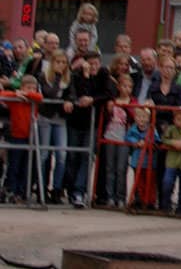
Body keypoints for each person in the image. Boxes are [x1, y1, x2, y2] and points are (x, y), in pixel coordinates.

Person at [65, 51, 113, 208]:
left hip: (92, 124)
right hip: (75, 121)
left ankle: (79, 191)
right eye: (90, 64)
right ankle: (71, 190)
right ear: (84, 63)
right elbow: (75, 93)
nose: (94, 67)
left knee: (87, 157)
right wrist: (86, 76)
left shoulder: (103, 73)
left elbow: (108, 93)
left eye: (96, 64)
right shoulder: (77, 74)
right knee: (72, 156)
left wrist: (93, 100)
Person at [37, 48, 72, 204]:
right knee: (44, 155)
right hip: (46, 118)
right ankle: (41, 188)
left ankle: (57, 190)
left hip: (60, 120)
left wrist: (70, 100)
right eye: (58, 62)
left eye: (64, 63)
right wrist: (57, 77)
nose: (61, 65)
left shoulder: (69, 78)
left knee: (62, 155)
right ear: (53, 63)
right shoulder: (44, 76)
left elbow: (72, 93)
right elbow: (50, 93)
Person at [0, 75, 43, 203]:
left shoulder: (33, 99)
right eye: (27, 88)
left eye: (33, 88)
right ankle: (11, 190)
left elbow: (40, 97)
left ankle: (21, 191)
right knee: (14, 165)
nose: (30, 90)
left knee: (26, 166)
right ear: (21, 87)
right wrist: (16, 95)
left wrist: (28, 94)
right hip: (16, 136)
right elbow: (2, 94)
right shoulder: (15, 100)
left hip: (30, 137)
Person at [103, 73, 134, 208]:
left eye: (129, 87)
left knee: (121, 168)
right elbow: (105, 116)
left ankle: (121, 196)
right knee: (110, 167)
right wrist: (109, 108)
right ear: (118, 87)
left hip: (124, 138)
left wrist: (127, 107)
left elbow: (136, 116)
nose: (126, 89)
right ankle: (110, 196)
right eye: (124, 86)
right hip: (110, 136)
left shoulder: (133, 102)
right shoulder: (113, 101)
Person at [125, 107, 160, 208]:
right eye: (139, 117)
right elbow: (127, 137)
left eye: (144, 117)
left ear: (148, 118)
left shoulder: (152, 128)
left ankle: (150, 202)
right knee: (139, 182)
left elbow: (157, 140)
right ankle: (139, 200)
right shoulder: (133, 128)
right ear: (135, 118)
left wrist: (147, 142)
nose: (141, 119)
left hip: (149, 161)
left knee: (150, 183)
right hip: (137, 161)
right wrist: (135, 141)